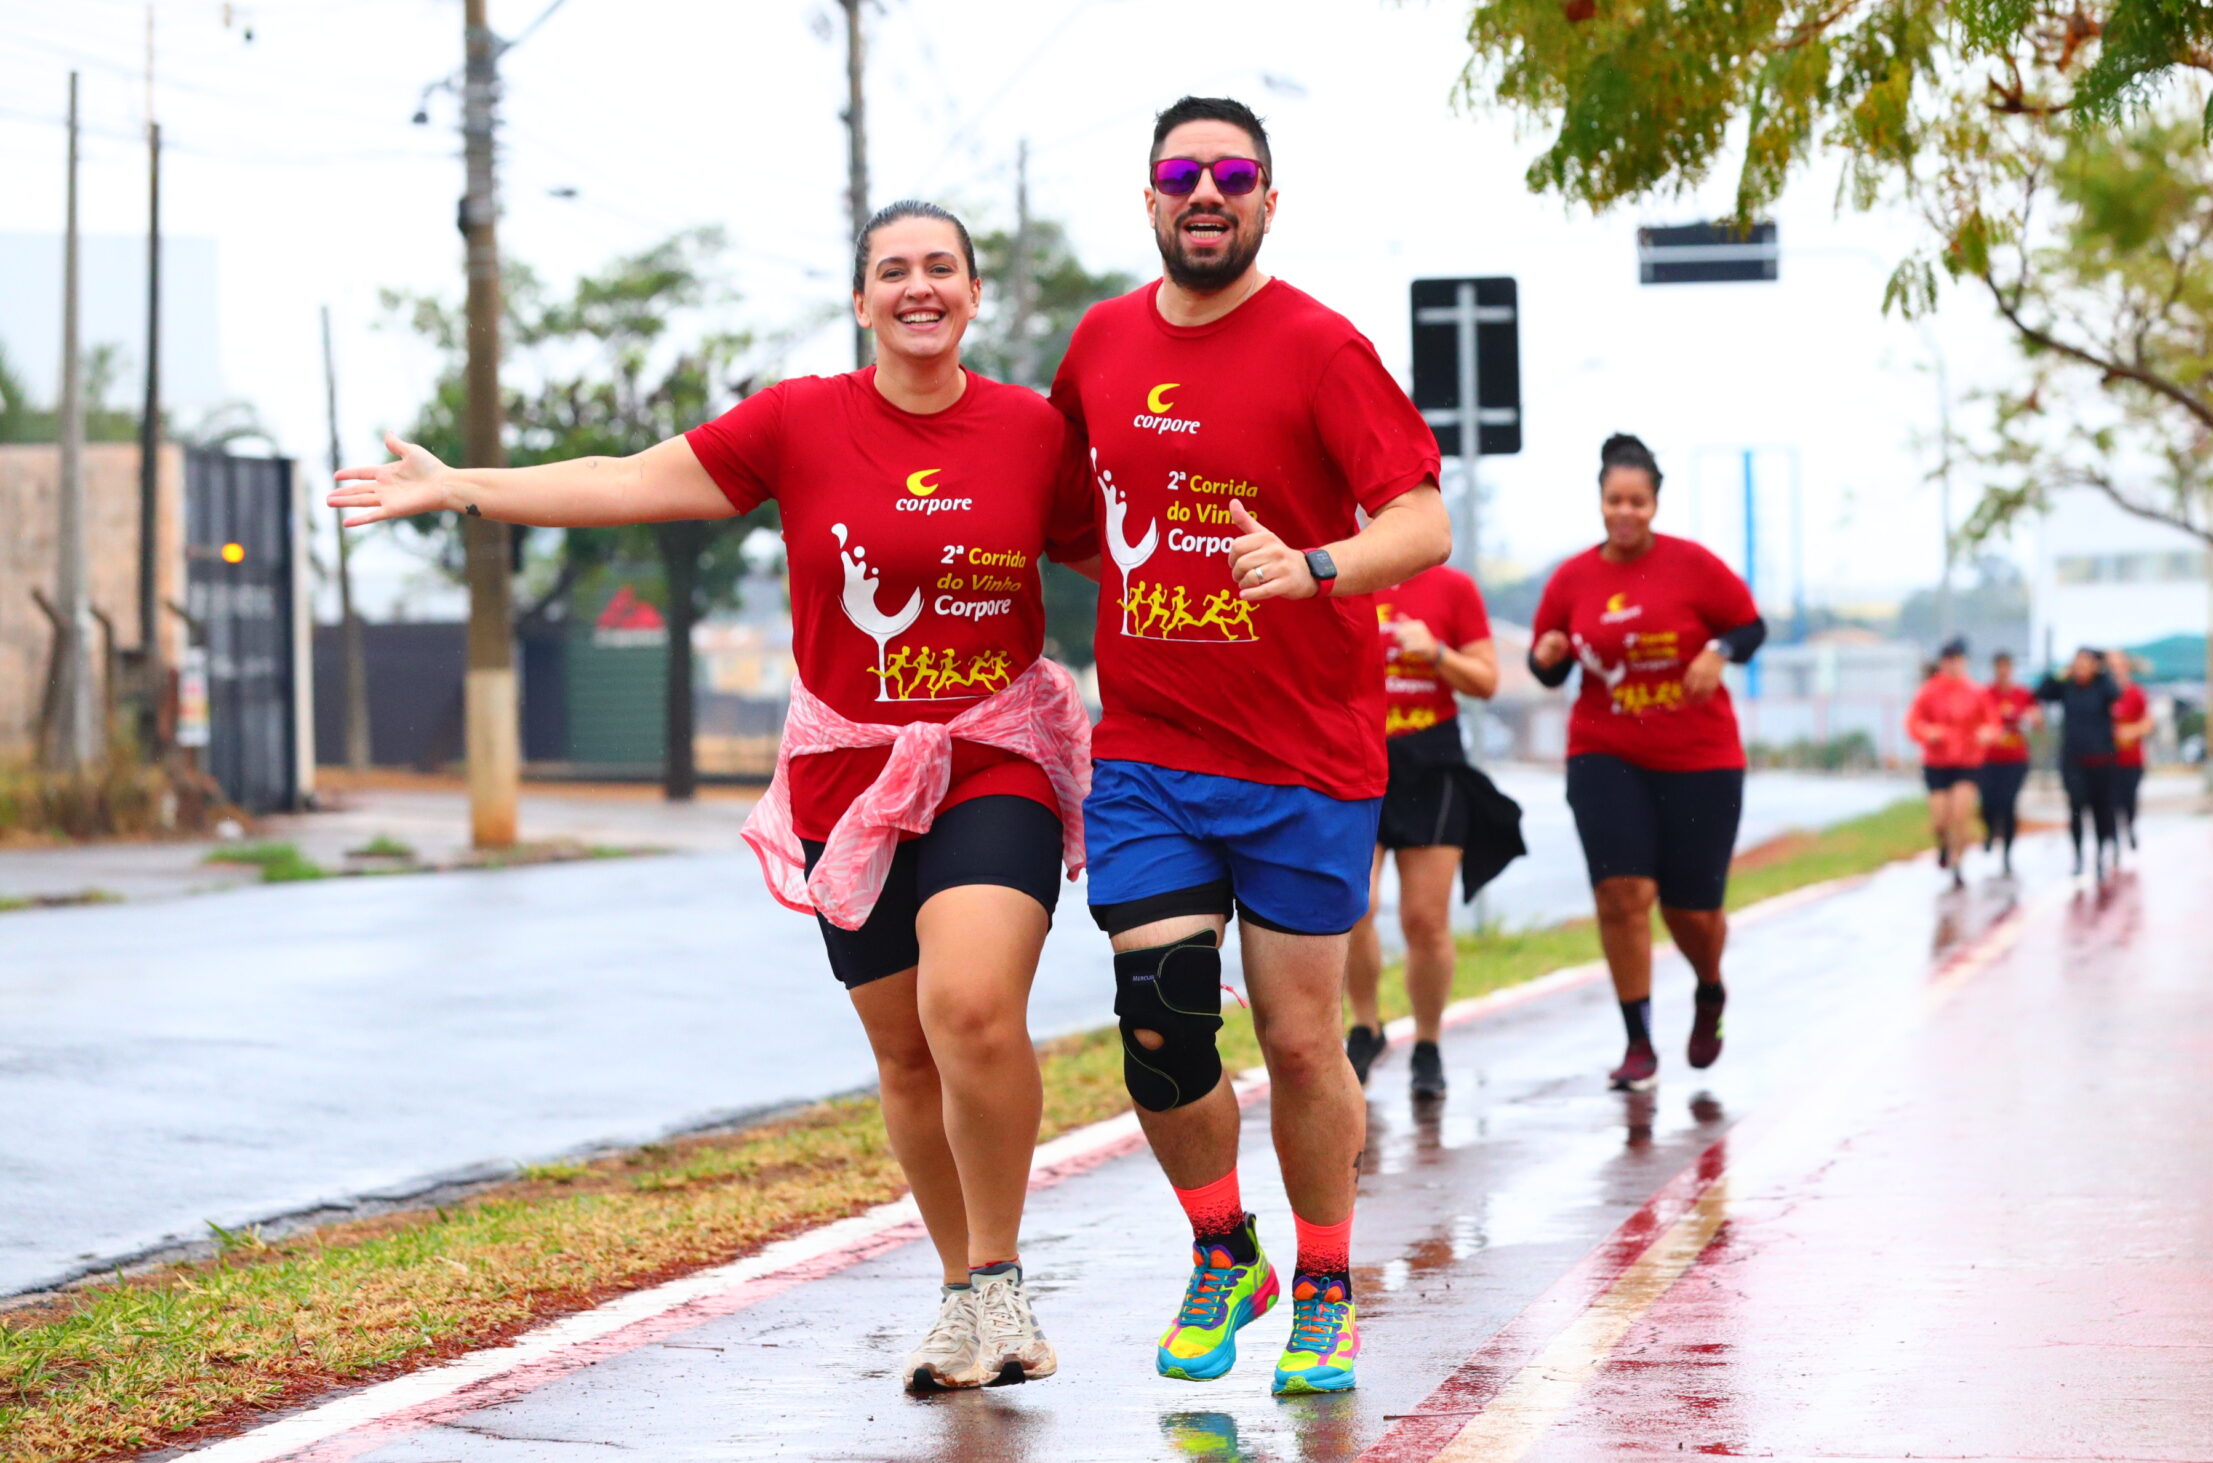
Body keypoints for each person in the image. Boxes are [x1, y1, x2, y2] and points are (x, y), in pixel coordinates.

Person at [328, 203, 1092, 1396]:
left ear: (975, 294)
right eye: (893, 270)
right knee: (903, 1052)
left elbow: (1130, 546)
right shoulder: (798, 420)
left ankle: (1000, 1277)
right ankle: (958, 1293)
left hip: (992, 752)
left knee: (972, 1006)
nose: (919, 287)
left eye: (941, 267)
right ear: (860, 300)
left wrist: (1302, 568)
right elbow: (626, 478)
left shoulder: (1032, 429)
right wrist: (462, 485)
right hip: (845, 770)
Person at [1046, 95, 1449, 1397]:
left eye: (1232, 173)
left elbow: (1421, 520)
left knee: (1298, 1037)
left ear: (1269, 200)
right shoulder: (1101, 344)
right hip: (1150, 753)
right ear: (1150, 199)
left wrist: (1316, 563)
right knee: (1160, 1027)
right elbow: (1059, 508)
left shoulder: (1323, 348)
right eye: (1181, 172)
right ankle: (1226, 1249)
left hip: (1303, 759)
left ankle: (1324, 1279)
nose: (1205, 191)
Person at [1530, 434, 1765, 1090]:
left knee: (1691, 910)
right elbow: (1546, 663)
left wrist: (1718, 650)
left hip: (1700, 757)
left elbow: (1750, 627)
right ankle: (1638, 1041)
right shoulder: (1573, 578)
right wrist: (1546, 656)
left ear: (1655, 504)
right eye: (1615, 500)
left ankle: (1709, 987)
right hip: (1606, 752)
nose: (1625, 512)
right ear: (1601, 502)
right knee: (1622, 895)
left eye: (1637, 501)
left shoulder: (1694, 566)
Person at [1343, 562, 1518, 1099]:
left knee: (1424, 919)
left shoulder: (1452, 587)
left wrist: (1436, 653)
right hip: (1357, 760)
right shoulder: (1342, 572)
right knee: (1354, 905)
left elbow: (1486, 682)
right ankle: (1366, 1027)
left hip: (1431, 767)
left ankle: (1427, 1043)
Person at [1905, 638, 1994, 886]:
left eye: (1957, 660)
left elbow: (1992, 722)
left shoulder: (1977, 692)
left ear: (1964, 662)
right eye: (1949, 661)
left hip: (1968, 761)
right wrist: (1927, 732)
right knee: (1940, 819)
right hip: (1937, 762)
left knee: (1960, 813)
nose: (1953, 666)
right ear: (1942, 663)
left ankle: (1957, 862)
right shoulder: (1929, 692)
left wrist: (1987, 733)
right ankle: (1944, 845)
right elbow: (1913, 722)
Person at [2035, 648, 2123, 878]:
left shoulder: (2102, 686)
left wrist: (2103, 671)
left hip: (2102, 760)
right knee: (2076, 806)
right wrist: (2060, 672)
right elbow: (2042, 692)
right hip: (2074, 760)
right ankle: (2078, 857)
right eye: (2077, 663)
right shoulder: (2067, 687)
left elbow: (2115, 693)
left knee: (2101, 809)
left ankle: (2101, 854)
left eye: (2085, 663)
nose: (2080, 668)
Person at [1979, 651, 2039, 876]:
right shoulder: (1985, 694)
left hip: (2015, 759)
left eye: (2007, 667)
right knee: (1988, 802)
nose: (2003, 671)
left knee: (2008, 803)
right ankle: (1989, 830)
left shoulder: (2023, 694)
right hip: (1988, 759)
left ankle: (2007, 853)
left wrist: (2033, 719)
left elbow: (2036, 718)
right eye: (1999, 667)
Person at [2107, 650, 2155, 852]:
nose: (2115, 670)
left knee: (2129, 798)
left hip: (2131, 759)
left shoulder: (2136, 693)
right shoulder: (2103, 693)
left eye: (2118, 665)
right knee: (2110, 800)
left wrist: (2131, 731)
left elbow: (2148, 722)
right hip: (2108, 760)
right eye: (2111, 666)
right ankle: (2112, 837)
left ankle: (2130, 825)